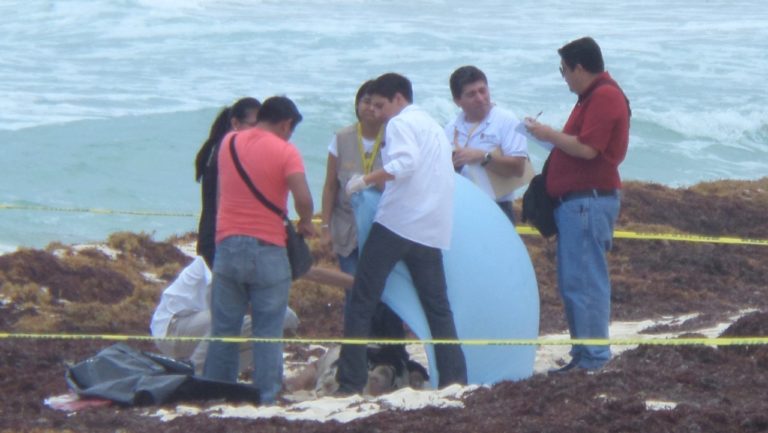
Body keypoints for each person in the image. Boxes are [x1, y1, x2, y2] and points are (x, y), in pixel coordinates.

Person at [336, 73, 468, 395]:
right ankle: (455, 381)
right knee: (438, 308)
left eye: (381, 105)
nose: (378, 113)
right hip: (432, 229)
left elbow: (405, 164)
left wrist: (365, 180)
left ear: (399, 98)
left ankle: (350, 382)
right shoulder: (435, 127)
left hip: (398, 224)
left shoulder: (399, 123)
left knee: (363, 298)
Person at [525, 36, 630, 372]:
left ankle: (595, 357)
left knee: (584, 281)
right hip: (576, 202)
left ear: (579, 68)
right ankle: (584, 354)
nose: (565, 78)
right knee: (574, 281)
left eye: (564, 71)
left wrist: (547, 134)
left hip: (588, 201)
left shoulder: (605, 96)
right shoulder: (590, 97)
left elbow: (587, 149)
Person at [203, 96, 316, 404]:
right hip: (268, 248)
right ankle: (266, 396)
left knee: (224, 328)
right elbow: (303, 198)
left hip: (227, 246)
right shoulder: (286, 151)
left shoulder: (229, 143)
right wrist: (306, 222)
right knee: (267, 329)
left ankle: (217, 393)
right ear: (286, 124)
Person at [320, 80, 408, 363]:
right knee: (354, 288)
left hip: (384, 226)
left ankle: (393, 352)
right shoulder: (342, 137)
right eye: (364, 101)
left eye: (375, 102)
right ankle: (357, 353)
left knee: (387, 291)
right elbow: (330, 186)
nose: (370, 108)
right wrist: (325, 228)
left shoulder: (394, 136)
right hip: (347, 228)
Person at [150, 256, 300, 375]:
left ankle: (222, 376)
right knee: (234, 320)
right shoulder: (214, 256)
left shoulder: (248, 264)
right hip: (173, 329)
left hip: (197, 328)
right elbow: (220, 303)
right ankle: (196, 373)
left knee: (267, 327)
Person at [445, 66, 530, 223]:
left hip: (498, 205)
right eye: (471, 94)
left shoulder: (506, 120)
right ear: (458, 101)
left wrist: (481, 156)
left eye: (482, 91)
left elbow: (518, 168)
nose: (480, 98)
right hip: (462, 206)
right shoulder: (451, 128)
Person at [194, 97, 262, 268]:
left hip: (212, 236)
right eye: (254, 125)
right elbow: (222, 200)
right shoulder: (227, 153)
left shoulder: (217, 147)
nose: (259, 132)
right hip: (221, 240)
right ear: (235, 123)